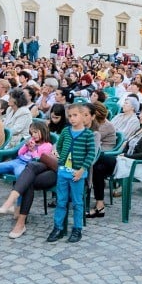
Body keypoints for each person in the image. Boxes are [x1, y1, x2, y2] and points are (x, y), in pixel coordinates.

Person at [45, 103, 96, 243]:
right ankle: (58, 228)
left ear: (84, 116)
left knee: (77, 202)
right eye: (70, 116)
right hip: (63, 173)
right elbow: (60, 146)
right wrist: (62, 160)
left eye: (75, 115)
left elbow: (91, 153)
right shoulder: (66, 131)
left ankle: (77, 229)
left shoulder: (88, 134)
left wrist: (81, 169)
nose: (72, 118)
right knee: (61, 201)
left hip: (77, 174)